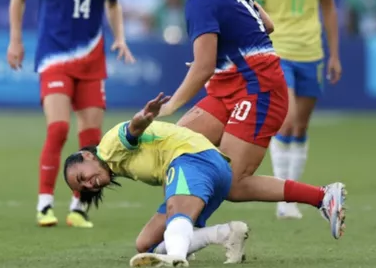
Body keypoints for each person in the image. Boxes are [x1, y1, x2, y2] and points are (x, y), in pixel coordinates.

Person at [154, 0, 346, 239]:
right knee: (180, 148)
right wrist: (225, 57)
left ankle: (322, 197)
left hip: (259, 89)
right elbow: (267, 24)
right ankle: (185, 231)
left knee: (233, 183)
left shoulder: (200, 0)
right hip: (232, 86)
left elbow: (202, 67)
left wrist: (171, 106)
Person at [7, 0, 135, 228]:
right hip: (55, 58)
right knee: (59, 128)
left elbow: (113, 3)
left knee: (91, 141)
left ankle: (78, 209)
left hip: (92, 63)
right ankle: (44, 204)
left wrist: (119, 36)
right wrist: (16, 40)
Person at [63, 93, 249, 267]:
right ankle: (226, 234)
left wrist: (140, 120)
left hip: (194, 159)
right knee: (145, 244)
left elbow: (131, 132)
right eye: (84, 187)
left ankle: (176, 256)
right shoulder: (115, 165)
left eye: (82, 177)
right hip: (212, 169)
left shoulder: (108, 148)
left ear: (87, 156)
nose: (89, 185)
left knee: (175, 211)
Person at [245, 0, 342, 219]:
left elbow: (328, 7)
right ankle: (284, 199)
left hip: (311, 53)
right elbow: (251, 13)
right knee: (285, 119)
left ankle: (291, 193)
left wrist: (334, 54)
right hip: (278, 51)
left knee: (300, 126)